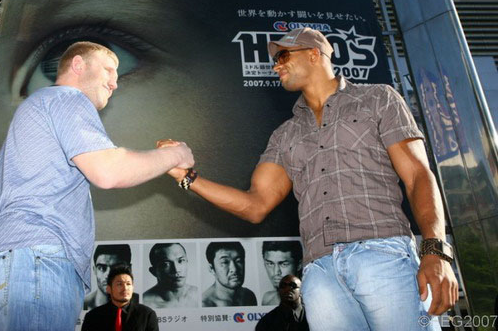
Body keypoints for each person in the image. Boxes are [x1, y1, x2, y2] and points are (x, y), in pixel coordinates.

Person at [160, 28, 458, 330]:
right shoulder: (285, 134)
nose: (276, 65)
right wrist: (187, 177)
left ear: (315, 54)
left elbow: (418, 176)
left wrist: (436, 251)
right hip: (320, 273)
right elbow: (255, 205)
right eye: (275, 60)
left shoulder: (378, 98)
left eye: (283, 55)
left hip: (382, 255)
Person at [0, 41, 194, 331]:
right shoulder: (67, 98)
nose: (115, 82)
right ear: (78, 65)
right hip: (37, 261)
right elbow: (108, 171)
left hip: (21, 262)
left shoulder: (42, 108)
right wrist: (176, 154)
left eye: (118, 73)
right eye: (109, 70)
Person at [82, 265, 158, 331]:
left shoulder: (147, 315)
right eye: (119, 284)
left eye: (128, 284)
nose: (125, 288)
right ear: (108, 289)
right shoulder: (93, 317)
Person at [143, 243, 199, 308]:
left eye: (180, 261)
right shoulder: (145, 304)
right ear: (153, 272)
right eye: (166, 264)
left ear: (187, 262)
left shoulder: (199, 295)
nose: (176, 269)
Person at [201, 241, 256, 307]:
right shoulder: (205, 304)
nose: (234, 269)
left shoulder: (249, 295)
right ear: (211, 268)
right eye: (225, 262)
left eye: (239, 261)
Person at [85, 244, 136, 310]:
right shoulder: (85, 304)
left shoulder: (143, 311)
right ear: (94, 270)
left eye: (117, 268)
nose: (108, 275)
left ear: (129, 269)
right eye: (102, 268)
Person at [260, 241, 303, 306]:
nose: (276, 272)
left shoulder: (310, 299)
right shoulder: (267, 299)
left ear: (299, 265)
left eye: (284, 264)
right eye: (270, 263)